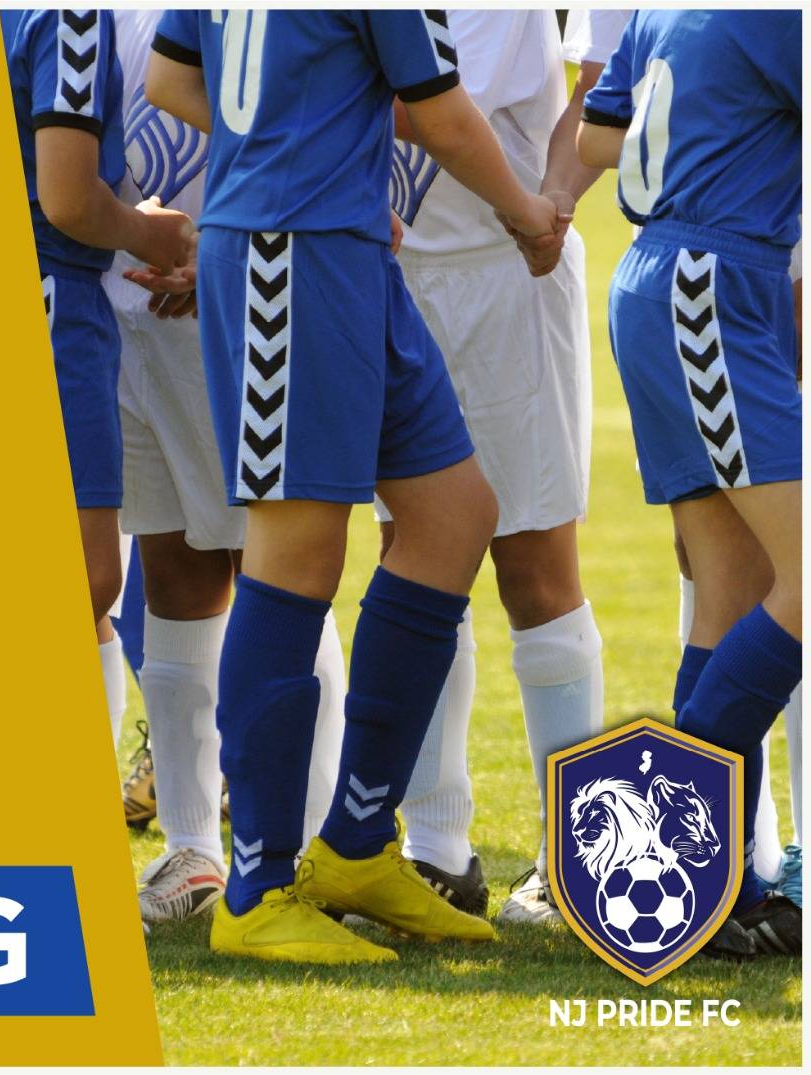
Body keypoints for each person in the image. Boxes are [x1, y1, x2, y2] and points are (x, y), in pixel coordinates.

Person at [147, 8, 565, 963]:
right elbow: (448, 118)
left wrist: (313, 143)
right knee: (295, 552)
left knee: (455, 515)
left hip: (341, 249)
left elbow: (174, 81)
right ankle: (254, 889)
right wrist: (528, 210)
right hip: (285, 256)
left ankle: (358, 844)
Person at [102, 7, 349, 927]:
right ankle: (193, 846)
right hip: (115, 311)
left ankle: (320, 839)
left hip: (235, 290)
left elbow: (304, 111)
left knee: (274, 562)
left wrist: (218, 250)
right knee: (171, 570)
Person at [579, 7, 803, 959]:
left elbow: (595, 127)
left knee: (732, 589)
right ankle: (671, 854)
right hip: (712, 280)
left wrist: (548, 203)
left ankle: (722, 887)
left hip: (681, 276)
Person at [382, 9, 603, 925]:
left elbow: (430, 105)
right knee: (413, 553)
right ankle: (435, 848)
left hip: (507, 269)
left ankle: (579, 855)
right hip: (397, 272)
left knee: (536, 566)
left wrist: (541, 203)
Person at [1, 9, 196, 773]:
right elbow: (71, 200)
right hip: (53, 298)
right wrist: (156, 234)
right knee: (84, 581)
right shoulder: (68, 13)